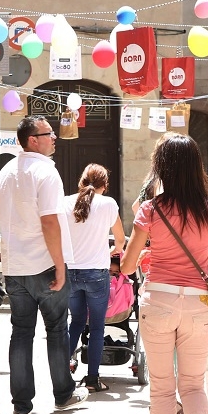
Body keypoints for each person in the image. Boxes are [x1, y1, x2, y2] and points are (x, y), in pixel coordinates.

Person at [121, 134, 208, 414]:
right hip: (198, 304)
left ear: (161, 167)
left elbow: (128, 264)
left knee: (163, 390)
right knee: (194, 385)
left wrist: (148, 255)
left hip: (160, 301)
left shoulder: (150, 210)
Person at [0, 115, 88, 414]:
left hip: (15, 266)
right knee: (57, 330)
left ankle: (21, 405)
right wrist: (60, 266)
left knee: (21, 332)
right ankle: (63, 394)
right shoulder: (45, 172)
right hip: (44, 264)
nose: (54, 138)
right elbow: (49, 221)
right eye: (49, 134)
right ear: (32, 140)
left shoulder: (7, 170)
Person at [63, 163, 126, 392]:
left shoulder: (66, 202)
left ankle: (63, 375)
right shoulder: (108, 204)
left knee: (76, 322)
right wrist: (111, 252)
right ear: (104, 185)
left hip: (70, 271)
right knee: (98, 326)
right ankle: (92, 380)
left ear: (81, 181)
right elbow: (120, 240)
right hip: (97, 273)